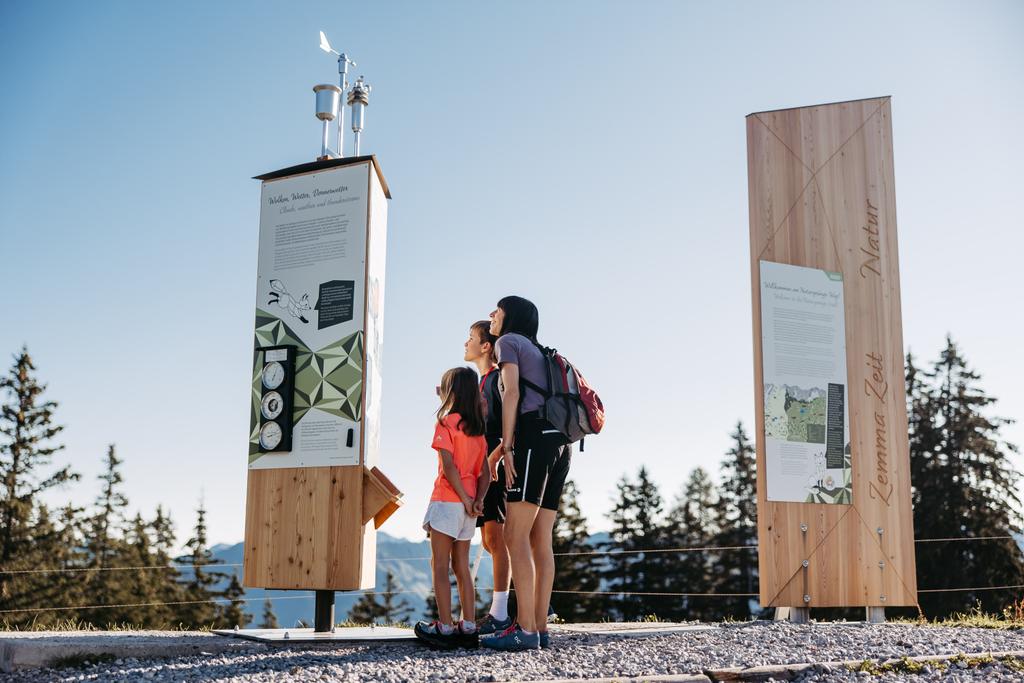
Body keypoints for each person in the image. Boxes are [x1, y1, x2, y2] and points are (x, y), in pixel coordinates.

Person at [481, 296, 569, 652]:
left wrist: (507, 444)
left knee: (515, 536)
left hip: (533, 439)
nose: (491, 316)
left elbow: (512, 392)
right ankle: (540, 628)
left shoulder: (508, 343)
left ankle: (526, 630)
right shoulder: (540, 350)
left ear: (510, 317)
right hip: (559, 443)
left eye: (497, 311)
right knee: (540, 540)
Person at [414, 367, 490, 649]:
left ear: (452, 394)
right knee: (462, 567)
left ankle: (444, 627)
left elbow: (448, 468)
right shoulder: (478, 431)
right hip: (468, 508)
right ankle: (468, 627)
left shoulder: (445, 424)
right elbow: (486, 474)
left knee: (439, 566)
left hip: (447, 501)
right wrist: (477, 499)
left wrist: (464, 498)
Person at [463, 320, 513, 634]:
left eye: (470, 338)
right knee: (490, 540)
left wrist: (495, 458)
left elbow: (502, 424)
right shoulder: (483, 382)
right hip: (485, 470)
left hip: (496, 468)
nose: (465, 343)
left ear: (485, 346)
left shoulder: (494, 380)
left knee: (497, 539)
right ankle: (508, 609)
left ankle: (500, 613)